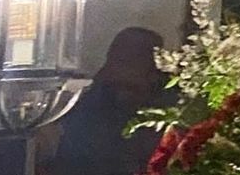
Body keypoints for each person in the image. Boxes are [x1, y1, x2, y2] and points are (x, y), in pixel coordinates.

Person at [49, 27, 168, 175]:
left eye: (128, 61)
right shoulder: (90, 100)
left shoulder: (170, 110)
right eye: (116, 59)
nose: (116, 69)